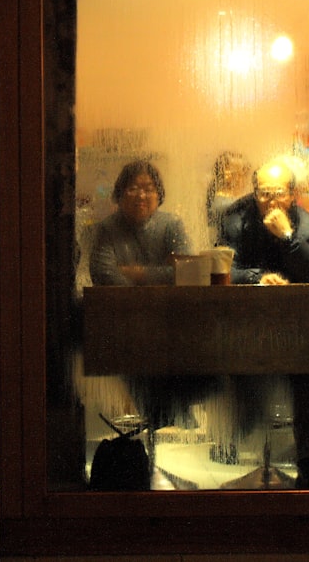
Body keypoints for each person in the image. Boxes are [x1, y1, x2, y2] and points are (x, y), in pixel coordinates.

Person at [217, 157, 309, 489]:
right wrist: (257, 278)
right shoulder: (235, 223)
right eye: (263, 193)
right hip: (248, 323)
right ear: (253, 194)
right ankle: (243, 447)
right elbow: (222, 270)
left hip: (300, 326)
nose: (270, 201)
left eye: (278, 193)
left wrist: (288, 238)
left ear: (293, 194)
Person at [89, 160, 216, 436]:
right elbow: (104, 273)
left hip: (172, 319)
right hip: (123, 321)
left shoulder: (171, 224)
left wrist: (139, 274)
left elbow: (185, 271)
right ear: (119, 194)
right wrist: (151, 287)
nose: (141, 195)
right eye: (133, 188)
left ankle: (169, 416)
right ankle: (163, 419)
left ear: (159, 194)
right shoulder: (106, 229)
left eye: (148, 188)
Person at [205, 151, 251, 239]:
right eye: (232, 171)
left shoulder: (245, 195)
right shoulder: (220, 200)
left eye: (242, 171)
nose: (238, 176)